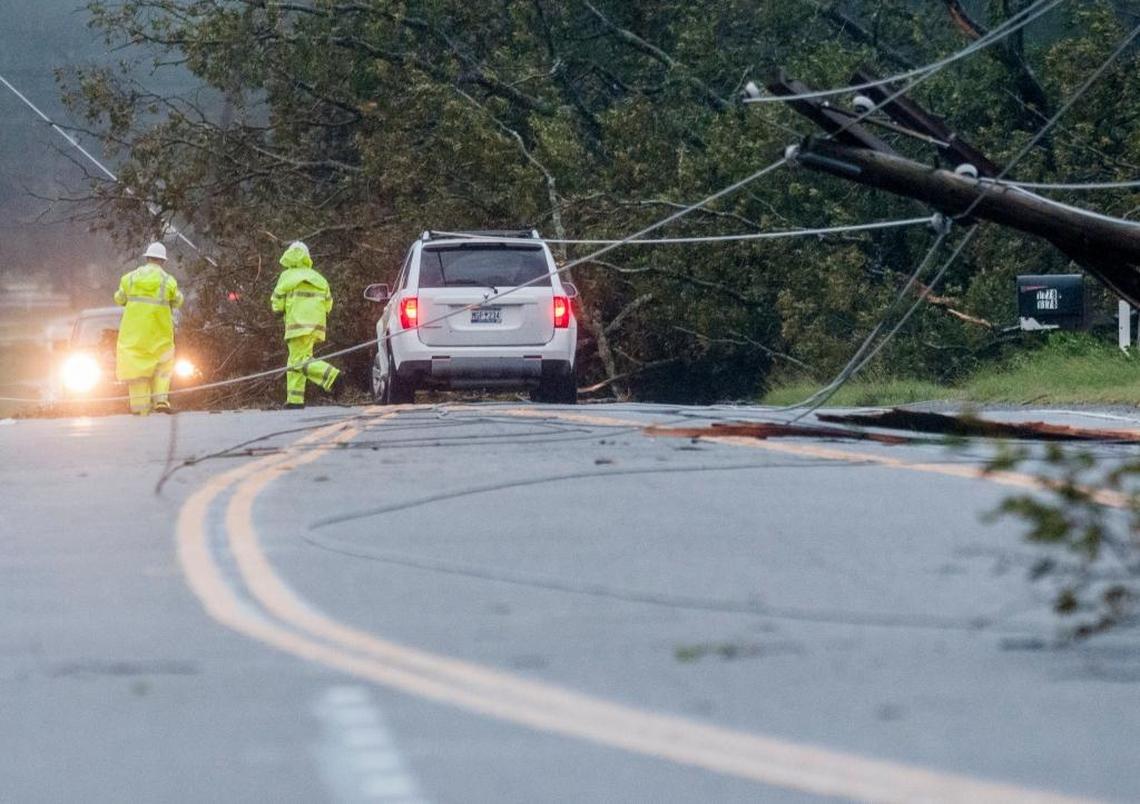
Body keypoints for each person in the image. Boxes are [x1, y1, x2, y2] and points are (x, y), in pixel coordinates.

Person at [271, 241, 343, 409]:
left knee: (298, 361)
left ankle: (332, 377)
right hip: (316, 326)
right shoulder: (318, 278)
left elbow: (277, 298)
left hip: (297, 325)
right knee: (297, 359)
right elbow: (328, 304)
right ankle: (295, 400)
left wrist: (277, 310)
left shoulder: (287, 276)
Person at [114, 241, 183, 415]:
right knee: (163, 368)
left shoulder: (129, 278)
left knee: (137, 373)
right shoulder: (168, 281)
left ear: (147, 258)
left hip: (134, 336)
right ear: (163, 261)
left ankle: (140, 409)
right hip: (160, 334)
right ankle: (161, 401)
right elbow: (178, 301)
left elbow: (119, 298)